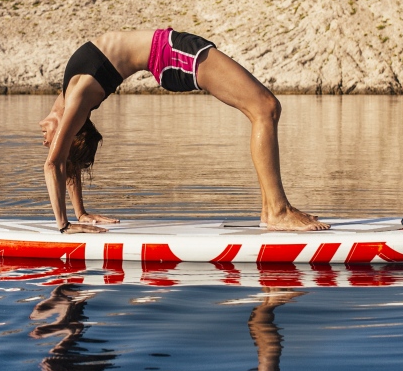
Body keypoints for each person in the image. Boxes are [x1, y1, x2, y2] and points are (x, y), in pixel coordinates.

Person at [38, 28, 327, 233]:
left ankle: (270, 210)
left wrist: (81, 213)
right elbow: (56, 163)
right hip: (169, 54)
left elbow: (66, 160)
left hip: (171, 50)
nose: (45, 142)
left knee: (263, 108)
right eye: (53, 141)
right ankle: (278, 211)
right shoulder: (79, 96)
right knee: (266, 107)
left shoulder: (70, 95)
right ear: (73, 130)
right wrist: (64, 225)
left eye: (50, 142)